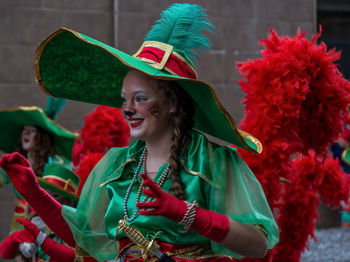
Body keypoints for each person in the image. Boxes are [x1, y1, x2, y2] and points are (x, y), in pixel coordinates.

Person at [0, 3, 279, 261]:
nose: (128, 109)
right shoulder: (117, 165)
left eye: (140, 98)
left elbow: (258, 245)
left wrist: (186, 214)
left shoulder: (212, 161)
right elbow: (86, 237)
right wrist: (34, 192)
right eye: (124, 99)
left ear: (172, 103)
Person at [0, 98, 78, 229]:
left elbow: (67, 198)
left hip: (46, 226)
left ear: (43, 136)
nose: (26, 133)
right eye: (24, 129)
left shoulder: (57, 162)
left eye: (33, 130)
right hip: (19, 226)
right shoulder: (17, 163)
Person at [0, 159, 79, 262]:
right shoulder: (33, 221)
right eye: (44, 194)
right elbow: (5, 254)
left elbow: (73, 257)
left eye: (55, 195)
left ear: (70, 202)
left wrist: (40, 238)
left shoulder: (75, 229)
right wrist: (15, 238)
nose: (47, 200)